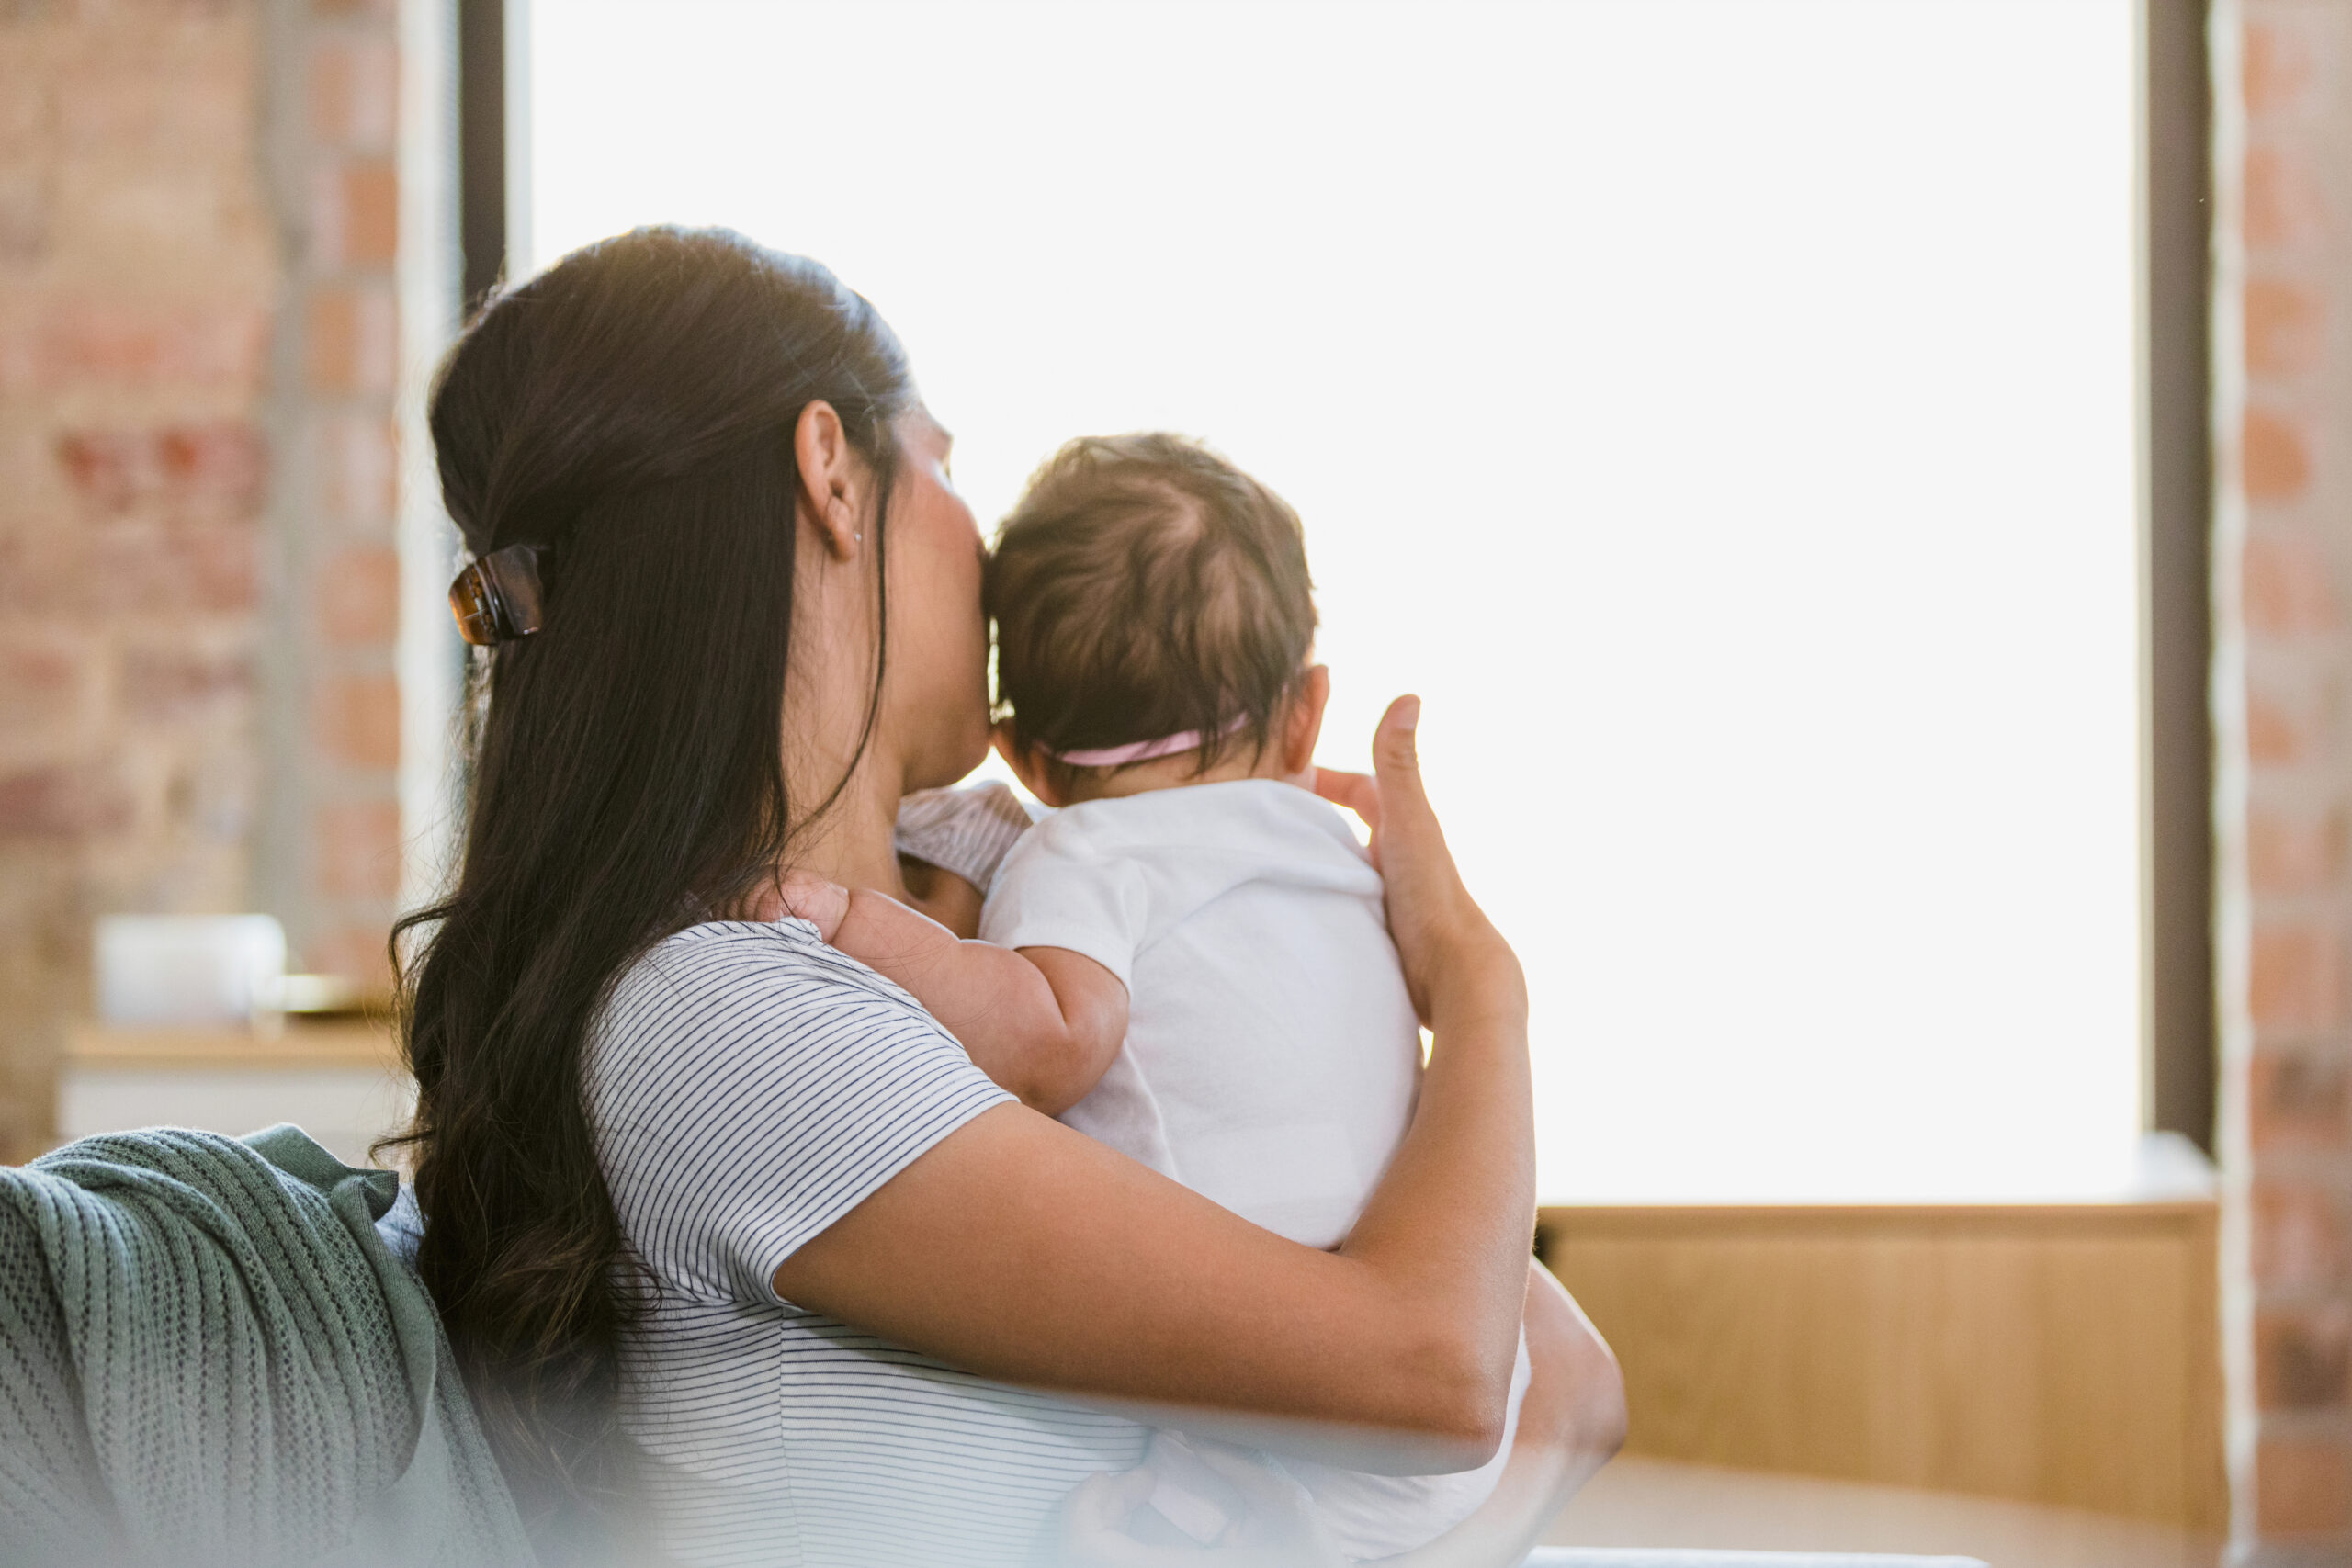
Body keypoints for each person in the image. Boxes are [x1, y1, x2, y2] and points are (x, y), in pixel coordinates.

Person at [396, 224, 1624, 1568]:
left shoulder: (1017, 889)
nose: (986, 549)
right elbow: (1451, 1370)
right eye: (942, 464)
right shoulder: (720, 1014)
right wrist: (1483, 994)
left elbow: (1562, 1374)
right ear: (833, 477)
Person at [776, 432, 1532, 1560]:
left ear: (1024, 756)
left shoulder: (1086, 854)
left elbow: (1057, 1035)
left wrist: (857, 925)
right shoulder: (1340, 850)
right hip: (1470, 1361)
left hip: (1291, 1397)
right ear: (1305, 712)